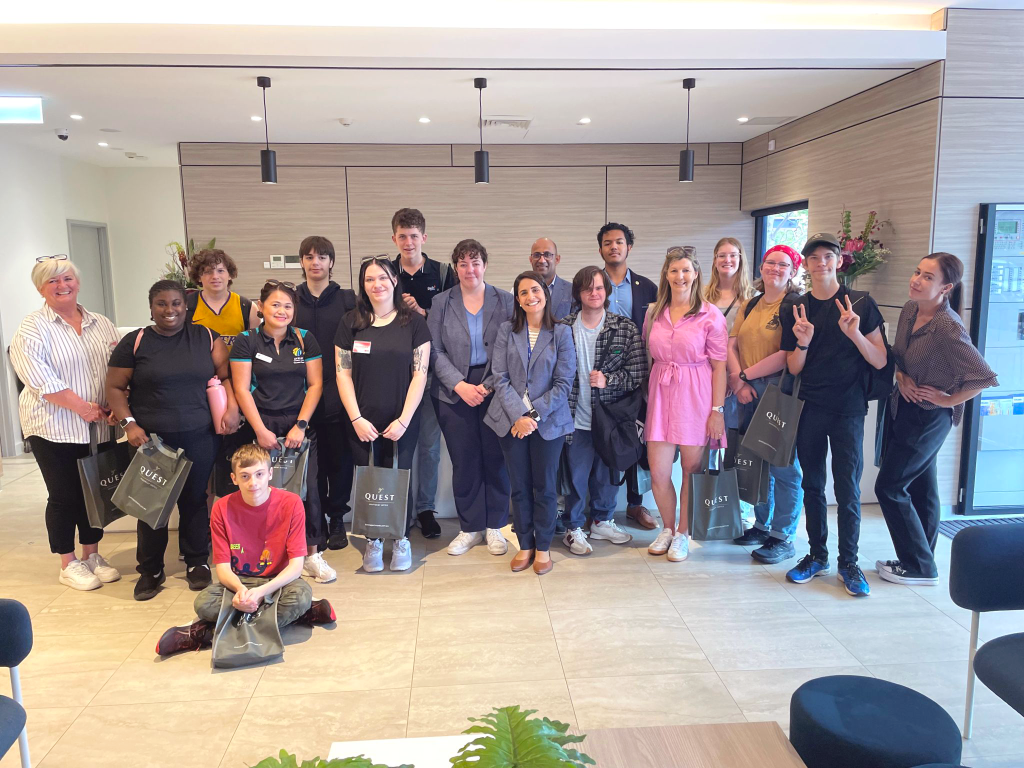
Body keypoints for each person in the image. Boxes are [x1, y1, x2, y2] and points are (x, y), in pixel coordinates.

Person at [107, 280, 240, 600]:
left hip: (199, 435)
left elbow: (225, 376)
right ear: (151, 308)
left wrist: (233, 407)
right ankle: (150, 571)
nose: (170, 310)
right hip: (150, 440)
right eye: (162, 304)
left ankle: (197, 563)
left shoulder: (206, 338)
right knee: (151, 506)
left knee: (195, 501)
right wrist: (129, 425)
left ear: (186, 306)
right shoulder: (135, 342)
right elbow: (113, 387)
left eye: (176, 303)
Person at [875, 253, 997, 586]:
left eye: (927, 277)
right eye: (917, 272)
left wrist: (948, 400)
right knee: (922, 488)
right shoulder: (911, 309)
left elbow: (984, 376)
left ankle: (919, 567)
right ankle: (920, 557)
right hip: (906, 408)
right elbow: (898, 356)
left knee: (889, 487)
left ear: (946, 287)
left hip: (930, 417)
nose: (916, 280)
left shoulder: (947, 325)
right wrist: (902, 376)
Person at [781, 232, 888, 598]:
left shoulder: (860, 303)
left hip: (848, 409)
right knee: (811, 484)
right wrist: (804, 341)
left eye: (828, 256)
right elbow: (793, 367)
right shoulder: (796, 307)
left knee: (847, 490)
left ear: (839, 261)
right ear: (806, 265)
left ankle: (849, 562)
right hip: (809, 406)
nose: (821, 263)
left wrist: (855, 333)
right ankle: (816, 556)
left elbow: (879, 359)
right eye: (814, 258)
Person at [155, 444, 336, 657]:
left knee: (300, 597)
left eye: (259, 474)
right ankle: (302, 615)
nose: (253, 483)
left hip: (279, 582)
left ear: (270, 473)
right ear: (234, 478)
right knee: (204, 603)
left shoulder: (291, 503)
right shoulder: (222, 507)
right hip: (239, 582)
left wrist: (260, 594)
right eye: (245, 476)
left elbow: (296, 567)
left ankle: (206, 633)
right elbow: (222, 569)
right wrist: (242, 592)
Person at [9, 255, 123, 590]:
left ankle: (92, 555)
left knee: (95, 493)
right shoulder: (32, 327)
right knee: (64, 495)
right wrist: (83, 407)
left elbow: (117, 368)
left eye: (67, 278)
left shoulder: (101, 323)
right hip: (53, 426)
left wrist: (115, 404)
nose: (62, 286)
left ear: (77, 282)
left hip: (99, 424)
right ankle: (67, 561)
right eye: (53, 281)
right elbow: (39, 380)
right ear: (41, 289)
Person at [230, 280, 334, 584]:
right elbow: (241, 388)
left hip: (299, 427)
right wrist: (260, 430)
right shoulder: (247, 340)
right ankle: (271, 554)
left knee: (307, 491)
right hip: (261, 427)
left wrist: (300, 426)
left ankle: (312, 554)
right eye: (275, 304)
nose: (282, 311)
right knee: (262, 493)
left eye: (288, 306)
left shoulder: (304, 339)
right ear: (261, 307)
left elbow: (315, 384)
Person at [336, 256, 431, 573]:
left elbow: (420, 374)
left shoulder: (414, 323)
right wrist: (356, 419)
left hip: (403, 417)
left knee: (399, 476)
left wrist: (404, 419)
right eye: (369, 279)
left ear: (394, 281)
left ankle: (401, 537)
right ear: (362, 285)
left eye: (382, 278)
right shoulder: (351, 322)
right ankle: (373, 541)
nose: (376, 284)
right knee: (368, 477)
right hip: (361, 420)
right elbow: (342, 374)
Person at [428, 239, 515, 557]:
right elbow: (433, 349)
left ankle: (496, 525)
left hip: (496, 387)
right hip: (453, 391)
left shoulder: (505, 300)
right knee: (464, 460)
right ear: (455, 268)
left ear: (485, 265)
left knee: (495, 458)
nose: (469, 269)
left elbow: (511, 347)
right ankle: (470, 527)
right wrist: (459, 385)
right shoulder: (441, 302)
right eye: (462, 263)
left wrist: (490, 383)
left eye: (475, 262)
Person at [485, 271, 576, 575]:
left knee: (546, 487)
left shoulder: (562, 332)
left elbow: (564, 383)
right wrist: (518, 417)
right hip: (511, 422)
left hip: (547, 424)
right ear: (518, 299)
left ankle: (545, 547)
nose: (530, 297)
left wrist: (532, 416)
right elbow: (499, 377)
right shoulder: (506, 330)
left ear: (545, 294)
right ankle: (525, 545)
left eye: (535, 290)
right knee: (520, 487)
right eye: (523, 292)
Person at [643, 247, 728, 563]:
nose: (680, 276)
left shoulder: (710, 314)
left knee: (691, 470)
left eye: (686, 271)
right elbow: (648, 353)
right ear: (666, 275)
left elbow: (720, 367)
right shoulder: (653, 312)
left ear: (696, 274)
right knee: (659, 473)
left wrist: (716, 411)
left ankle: (683, 532)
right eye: (674, 270)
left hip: (696, 393)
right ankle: (666, 527)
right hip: (661, 392)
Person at [558, 266, 645, 555]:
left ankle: (602, 521)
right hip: (574, 418)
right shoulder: (563, 327)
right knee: (576, 476)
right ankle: (573, 528)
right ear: (578, 293)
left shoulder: (624, 327)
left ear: (606, 291)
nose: (594, 293)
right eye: (587, 289)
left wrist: (610, 380)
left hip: (611, 418)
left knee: (607, 473)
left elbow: (637, 372)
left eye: (599, 288)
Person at [728, 245, 804, 564]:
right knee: (757, 461)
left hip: (780, 391)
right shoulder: (752, 302)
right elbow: (732, 342)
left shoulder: (794, 305)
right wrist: (737, 380)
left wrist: (745, 375)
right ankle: (761, 525)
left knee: (784, 466)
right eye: (770, 263)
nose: (774, 268)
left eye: (783, 264)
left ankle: (783, 536)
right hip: (747, 388)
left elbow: (787, 353)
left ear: (793, 271)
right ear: (760, 267)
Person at [390, 208, 455, 540]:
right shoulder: (383, 273)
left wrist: (422, 311)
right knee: (400, 443)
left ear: (424, 238)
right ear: (394, 239)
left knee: (429, 445)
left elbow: (455, 321)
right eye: (402, 236)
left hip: (431, 372)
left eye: (414, 235)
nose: (408, 242)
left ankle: (426, 509)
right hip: (394, 375)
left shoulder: (443, 273)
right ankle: (400, 509)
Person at [294, 235, 357, 551]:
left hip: (337, 392)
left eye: (322, 256)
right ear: (302, 262)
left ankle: (336, 520)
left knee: (339, 462)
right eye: (309, 256)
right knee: (308, 465)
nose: (315, 262)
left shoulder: (347, 299)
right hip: (298, 396)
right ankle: (311, 523)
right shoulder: (290, 300)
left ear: (332, 262)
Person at [598, 222, 660, 531]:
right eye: (608, 243)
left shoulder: (647, 288)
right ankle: (600, 509)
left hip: (639, 372)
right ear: (600, 250)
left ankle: (636, 504)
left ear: (629, 248)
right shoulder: (592, 285)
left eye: (619, 242)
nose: (614, 247)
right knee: (604, 435)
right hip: (602, 375)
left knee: (638, 438)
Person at [185, 248, 259, 350]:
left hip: (237, 365)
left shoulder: (248, 307)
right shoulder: (186, 305)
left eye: (220, 271)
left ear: (229, 275)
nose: (215, 276)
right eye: (208, 272)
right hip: (199, 365)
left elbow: (255, 347)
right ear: (198, 277)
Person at [705, 238, 755, 334]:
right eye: (722, 255)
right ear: (715, 261)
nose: (727, 260)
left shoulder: (754, 297)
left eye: (733, 255)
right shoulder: (702, 295)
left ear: (740, 260)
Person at [529, 237, 573, 320]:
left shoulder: (572, 291)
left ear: (557, 259)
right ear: (531, 260)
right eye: (537, 255)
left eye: (547, 255)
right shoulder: (521, 291)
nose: (542, 260)